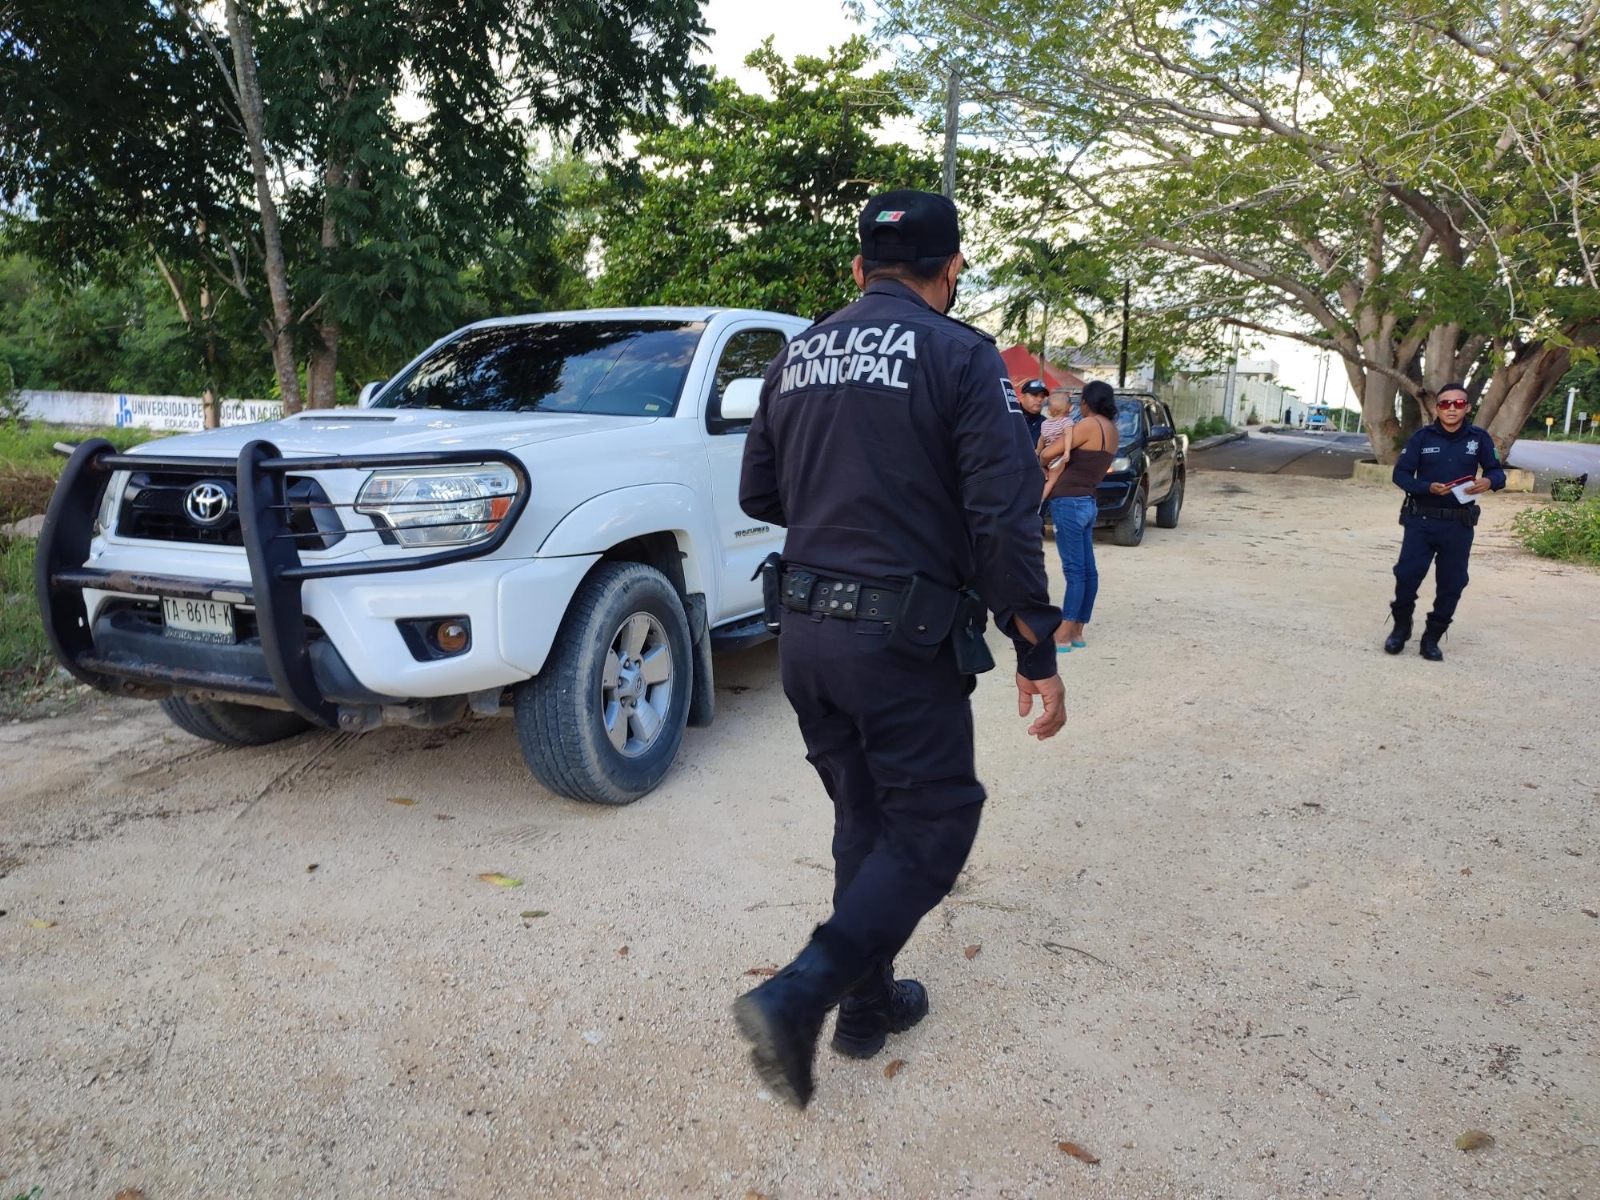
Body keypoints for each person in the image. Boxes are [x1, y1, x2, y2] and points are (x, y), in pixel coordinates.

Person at [736, 188, 1067, 1108]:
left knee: (864, 818)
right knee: (935, 821)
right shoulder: (964, 356)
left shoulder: (797, 352)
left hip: (804, 633)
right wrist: (1035, 649)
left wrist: (844, 496)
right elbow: (1002, 517)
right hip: (899, 638)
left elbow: (761, 493)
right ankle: (801, 993)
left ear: (857, 269)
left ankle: (868, 1006)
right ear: (951, 270)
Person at [1385, 382, 1506, 661]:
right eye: (1445, 404)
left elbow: (1497, 473)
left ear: (1467, 407)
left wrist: (1488, 481)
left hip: (1458, 525)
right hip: (1421, 520)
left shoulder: (1479, 438)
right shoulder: (1422, 437)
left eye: (1458, 404)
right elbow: (1400, 475)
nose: (1451, 408)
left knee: (1452, 583)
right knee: (1406, 576)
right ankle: (1401, 627)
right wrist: (1427, 487)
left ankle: (1432, 637)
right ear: (1436, 408)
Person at [1043, 381, 1120, 652]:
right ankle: (1077, 632)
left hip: (1069, 501)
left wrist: (1042, 457)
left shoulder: (1088, 425)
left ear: (1087, 402)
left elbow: (1049, 453)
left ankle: (1062, 634)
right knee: (1087, 570)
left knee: (1075, 571)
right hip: (1087, 501)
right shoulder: (1112, 430)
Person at [1036, 392, 1077, 501]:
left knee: (1048, 477)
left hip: (1047, 456)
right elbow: (1068, 436)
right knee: (1052, 481)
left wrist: (1038, 450)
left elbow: (1042, 439)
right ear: (1071, 409)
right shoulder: (1067, 422)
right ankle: (1040, 501)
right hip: (1058, 458)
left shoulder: (1045, 424)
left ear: (1048, 411)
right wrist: (1067, 451)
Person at [1018, 378, 1049, 444]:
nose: (1039, 399)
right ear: (1022, 398)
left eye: (1042, 396)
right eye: (1034, 395)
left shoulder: (1046, 424)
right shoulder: (1011, 420)